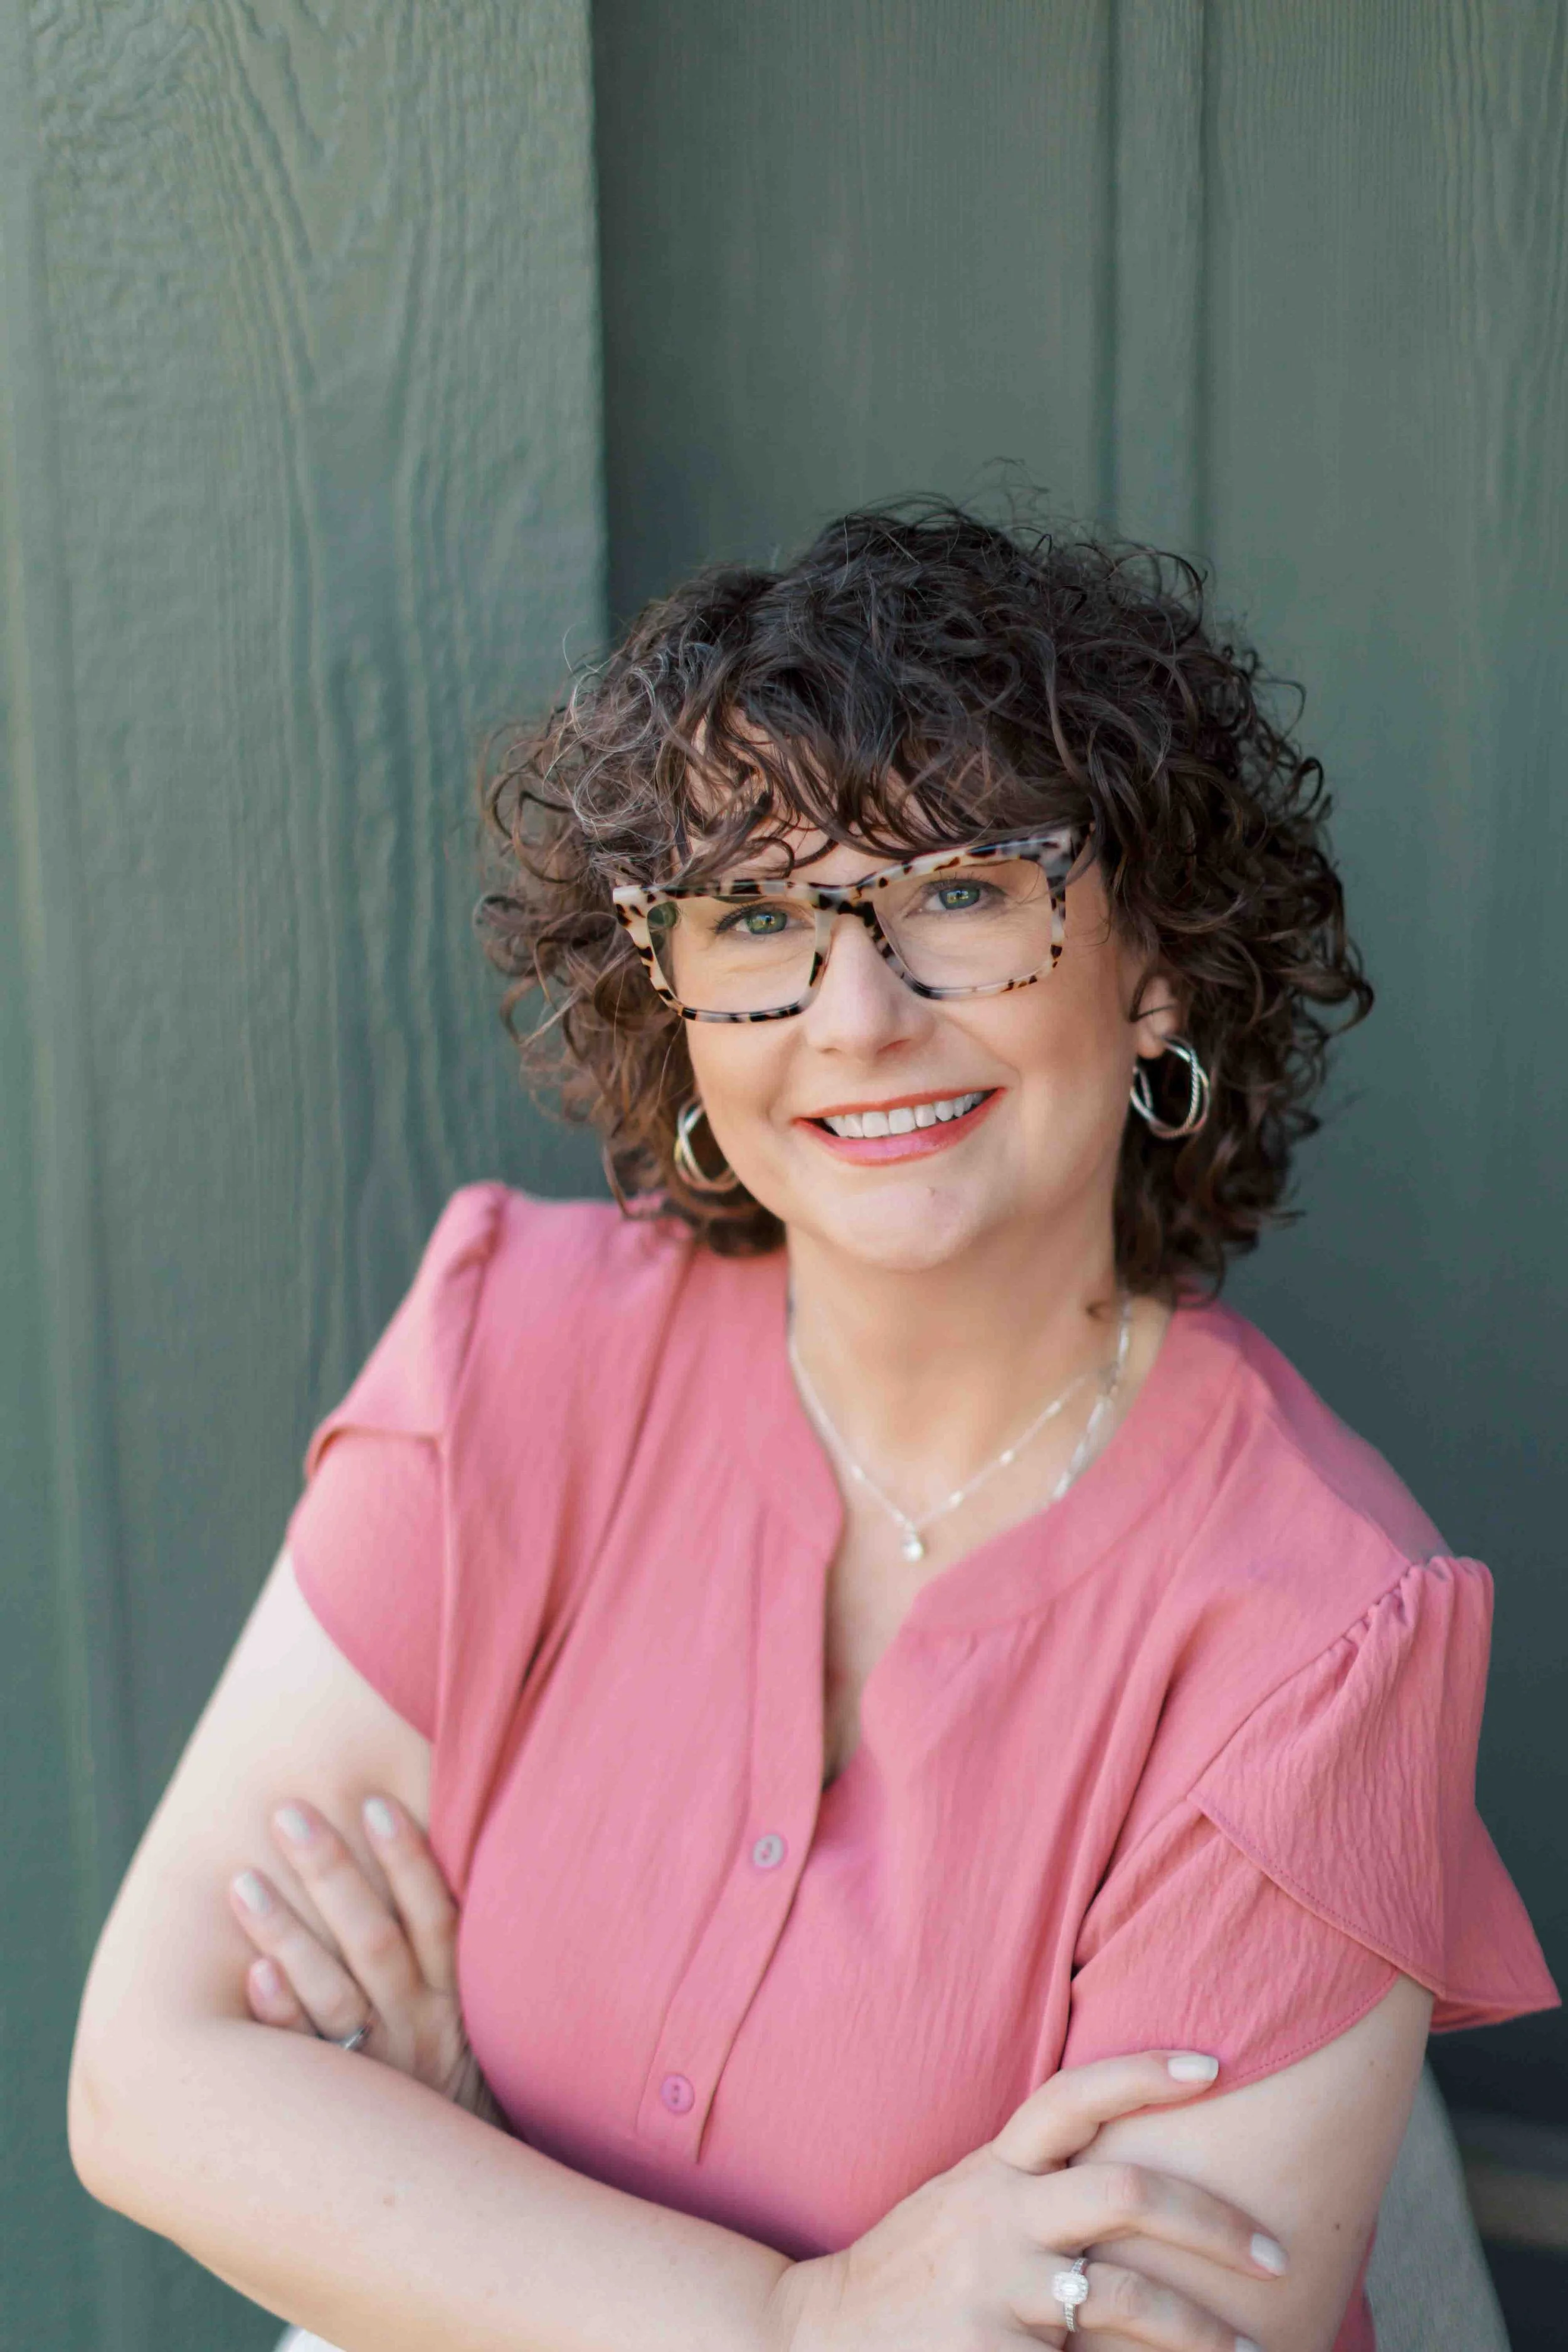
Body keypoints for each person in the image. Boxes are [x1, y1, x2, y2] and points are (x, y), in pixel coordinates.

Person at [69, 504, 1555, 2352]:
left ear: (1154, 962)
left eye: (960, 891)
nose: (855, 1014)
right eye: (758, 916)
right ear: (676, 1002)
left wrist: (459, 2182)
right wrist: (800, 2318)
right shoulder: (509, 1351)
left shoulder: (1318, 1630)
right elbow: (150, 2079)